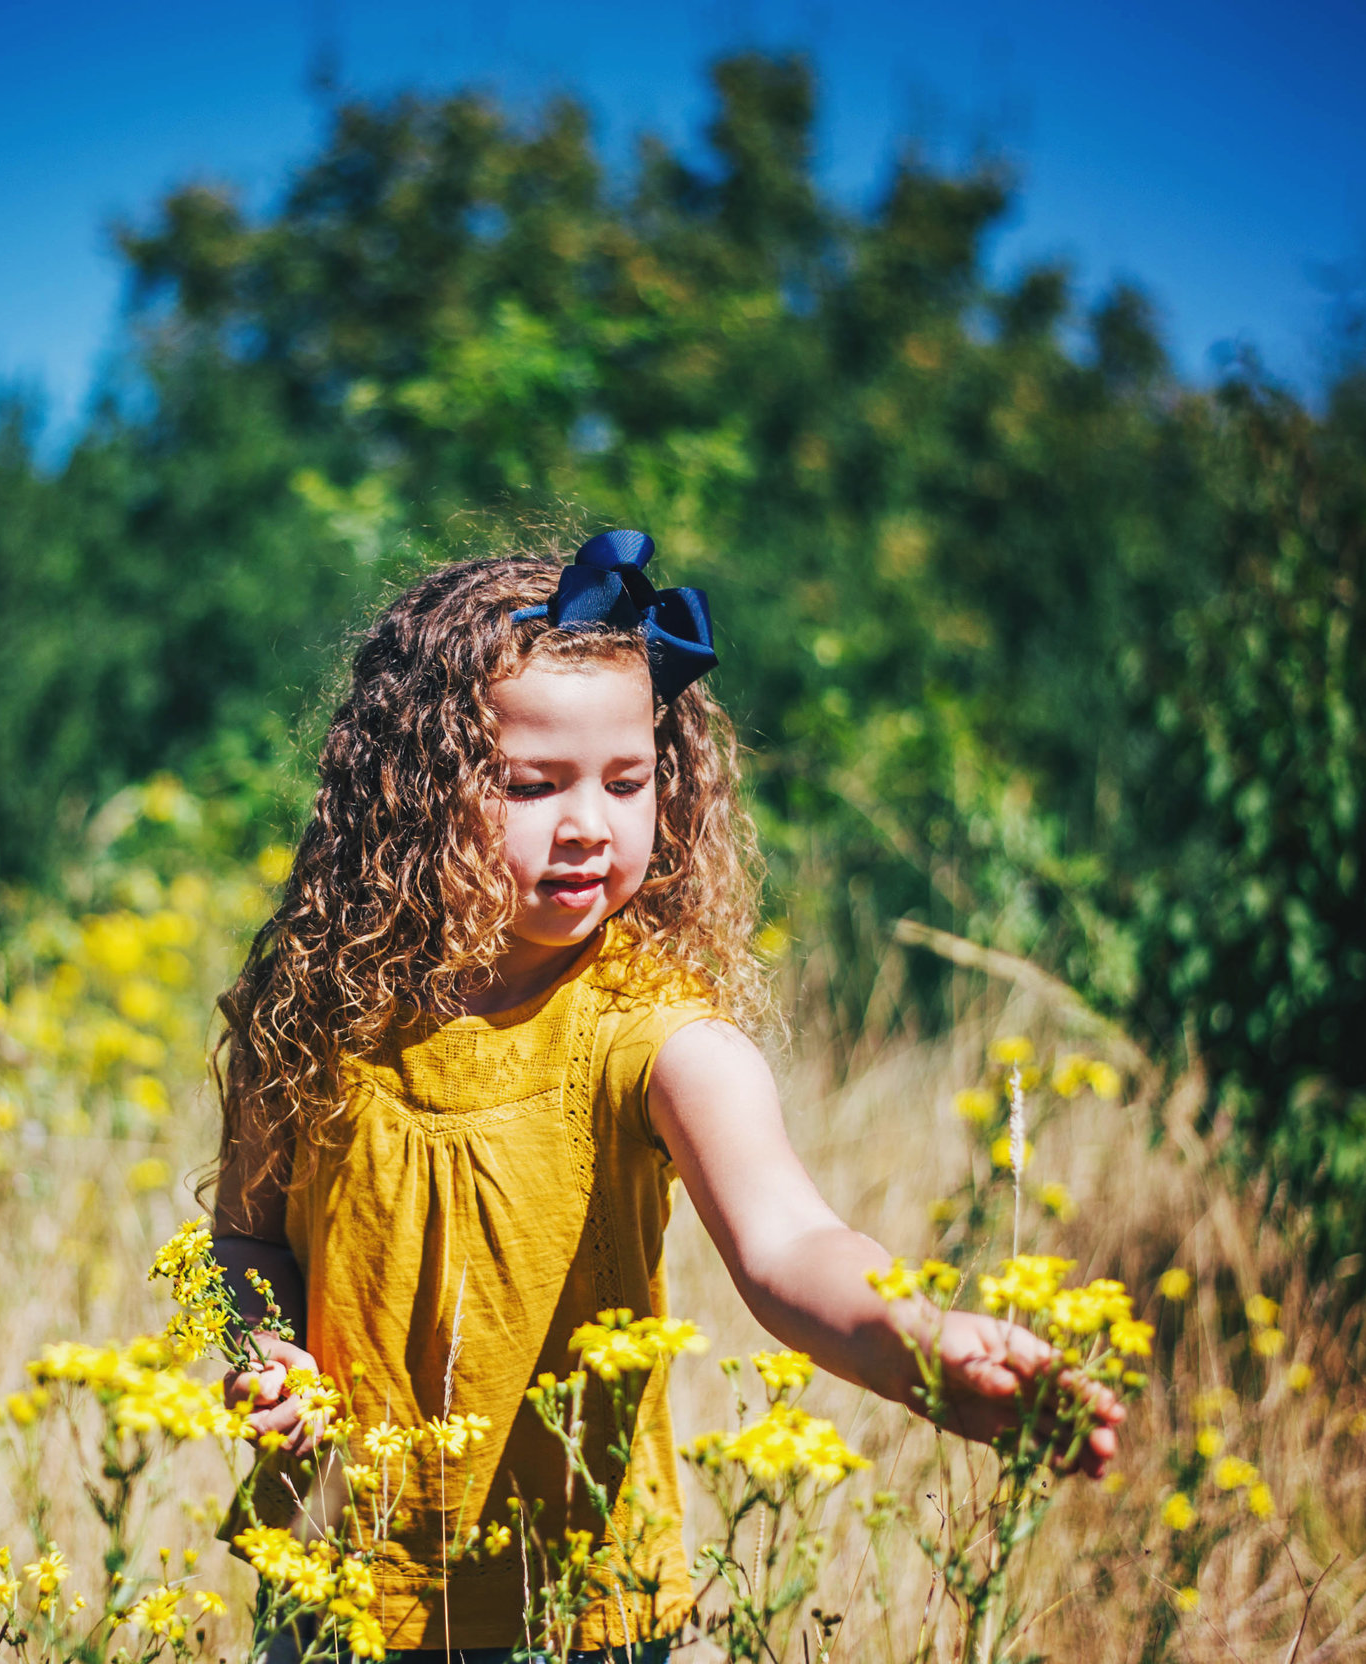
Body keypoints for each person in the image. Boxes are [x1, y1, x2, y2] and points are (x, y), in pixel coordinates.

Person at [209, 532, 1123, 1660]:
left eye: (627, 780)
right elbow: (247, 1235)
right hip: (333, 1585)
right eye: (531, 785)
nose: (589, 822)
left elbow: (789, 1243)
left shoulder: (662, 1034)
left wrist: (915, 1339)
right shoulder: (315, 1001)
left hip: (581, 1604)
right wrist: (264, 1348)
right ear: (410, 790)